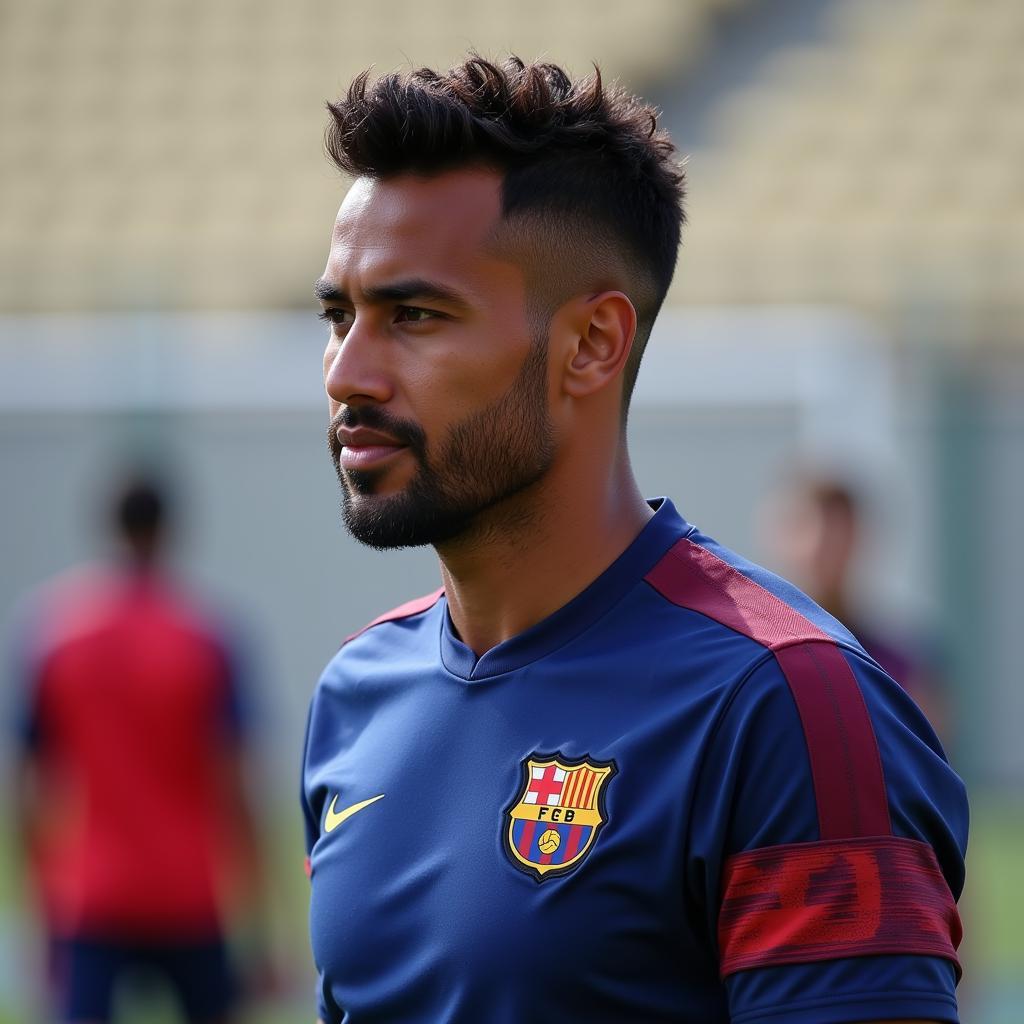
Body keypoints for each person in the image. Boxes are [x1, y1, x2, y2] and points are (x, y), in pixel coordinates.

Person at [301, 56, 967, 1024]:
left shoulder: (780, 704)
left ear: (591, 345)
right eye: (337, 315)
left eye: (413, 315)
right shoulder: (356, 692)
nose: (347, 372)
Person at [11, 474, 262, 1024]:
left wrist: (42, 902)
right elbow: (236, 783)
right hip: (188, 891)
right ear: (169, 531)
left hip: (91, 892)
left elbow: (28, 785)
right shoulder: (206, 638)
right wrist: (259, 919)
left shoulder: (54, 634)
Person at [764, 472, 949, 740]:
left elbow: (928, 762)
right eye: (807, 529)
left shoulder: (900, 666)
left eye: (837, 533)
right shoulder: (759, 656)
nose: (821, 547)